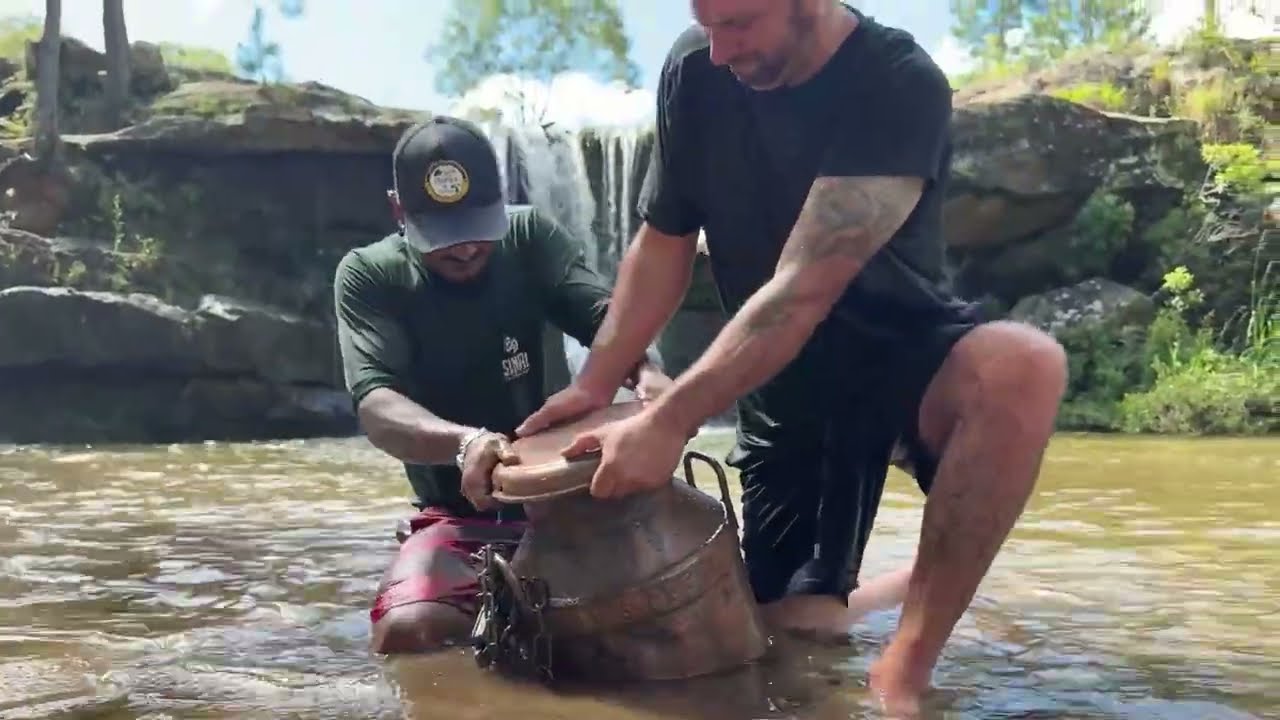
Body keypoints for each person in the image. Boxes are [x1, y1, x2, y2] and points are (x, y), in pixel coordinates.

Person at [513, 0, 1068, 713]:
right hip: (779, 384)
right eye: (706, 24)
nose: (718, 50)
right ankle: (920, 578)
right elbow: (664, 241)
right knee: (790, 640)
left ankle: (907, 667)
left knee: (1023, 365)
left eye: (738, 23)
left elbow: (805, 288)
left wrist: (669, 421)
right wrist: (594, 382)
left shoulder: (897, 80)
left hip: (901, 353)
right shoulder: (695, 67)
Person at [331, 115, 671, 654]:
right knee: (406, 632)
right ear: (399, 210)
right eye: (444, 237)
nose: (465, 249)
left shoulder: (531, 235)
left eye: (478, 231)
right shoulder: (368, 275)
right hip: (463, 515)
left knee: (671, 610)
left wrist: (647, 369)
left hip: (576, 496)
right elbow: (376, 405)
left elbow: (607, 317)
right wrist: (464, 444)